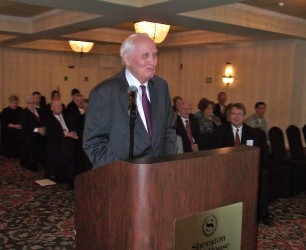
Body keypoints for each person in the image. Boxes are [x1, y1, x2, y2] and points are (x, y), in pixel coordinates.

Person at [83, 33, 176, 168]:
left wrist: (165, 163)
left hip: (158, 174)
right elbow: (94, 144)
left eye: (155, 55)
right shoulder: (104, 93)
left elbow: (169, 131)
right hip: (120, 179)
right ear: (127, 59)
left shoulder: (161, 87)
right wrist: (121, 172)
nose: (152, 61)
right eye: (145, 55)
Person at [213, 103, 274, 226]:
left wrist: (256, 167)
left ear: (244, 116)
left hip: (249, 168)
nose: (236, 117)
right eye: (234, 114)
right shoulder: (220, 131)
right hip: (227, 168)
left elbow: (263, 154)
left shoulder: (254, 133)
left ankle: (262, 214)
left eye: (239, 114)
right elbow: (215, 154)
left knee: (264, 175)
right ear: (229, 116)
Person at [44, 99, 83, 187]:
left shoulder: (68, 116)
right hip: (58, 144)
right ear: (52, 108)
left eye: (60, 105)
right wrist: (66, 135)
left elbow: (75, 128)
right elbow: (51, 136)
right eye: (57, 106)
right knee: (67, 145)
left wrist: (74, 134)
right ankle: (71, 178)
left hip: (72, 141)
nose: (59, 107)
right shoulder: (48, 120)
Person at [20, 95, 46, 171]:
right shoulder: (24, 113)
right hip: (30, 134)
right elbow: (25, 127)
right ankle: (33, 164)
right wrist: (38, 130)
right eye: (29, 103)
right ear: (26, 103)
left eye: (33, 103)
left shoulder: (40, 111)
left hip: (42, 132)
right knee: (32, 142)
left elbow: (45, 121)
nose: (32, 105)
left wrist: (44, 128)